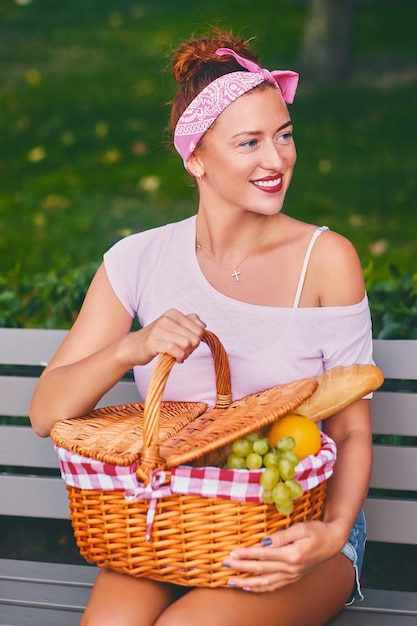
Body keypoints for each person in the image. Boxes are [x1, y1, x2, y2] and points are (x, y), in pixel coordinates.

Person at [30, 29, 374, 626]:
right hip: (170, 524)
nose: (277, 160)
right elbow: (45, 413)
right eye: (250, 143)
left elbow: (349, 430)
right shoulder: (137, 261)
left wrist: (333, 533)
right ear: (195, 158)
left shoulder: (327, 259)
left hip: (296, 529)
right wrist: (129, 347)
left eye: (284, 136)